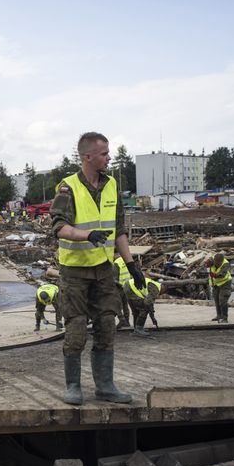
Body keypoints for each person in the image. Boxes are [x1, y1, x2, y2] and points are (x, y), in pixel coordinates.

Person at [50, 132, 143, 405]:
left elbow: (119, 229)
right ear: (87, 157)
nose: (109, 158)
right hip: (75, 272)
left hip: (104, 270)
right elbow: (58, 227)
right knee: (76, 328)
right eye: (104, 154)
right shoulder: (67, 188)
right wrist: (85, 235)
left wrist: (131, 264)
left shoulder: (112, 184)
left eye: (108, 152)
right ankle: (73, 386)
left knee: (106, 325)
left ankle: (105, 386)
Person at [206, 252, 232, 323]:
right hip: (216, 284)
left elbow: (222, 274)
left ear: (221, 261)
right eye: (216, 262)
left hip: (225, 283)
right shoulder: (212, 260)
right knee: (217, 300)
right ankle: (219, 316)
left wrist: (215, 275)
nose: (217, 264)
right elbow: (206, 264)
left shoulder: (226, 264)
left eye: (218, 263)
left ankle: (224, 318)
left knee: (223, 300)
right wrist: (207, 264)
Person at [112, 252, 133, 329]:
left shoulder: (116, 263)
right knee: (125, 305)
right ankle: (127, 322)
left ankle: (121, 319)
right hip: (127, 286)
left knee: (116, 305)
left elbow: (115, 279)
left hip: (119, 288)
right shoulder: (126, 261)